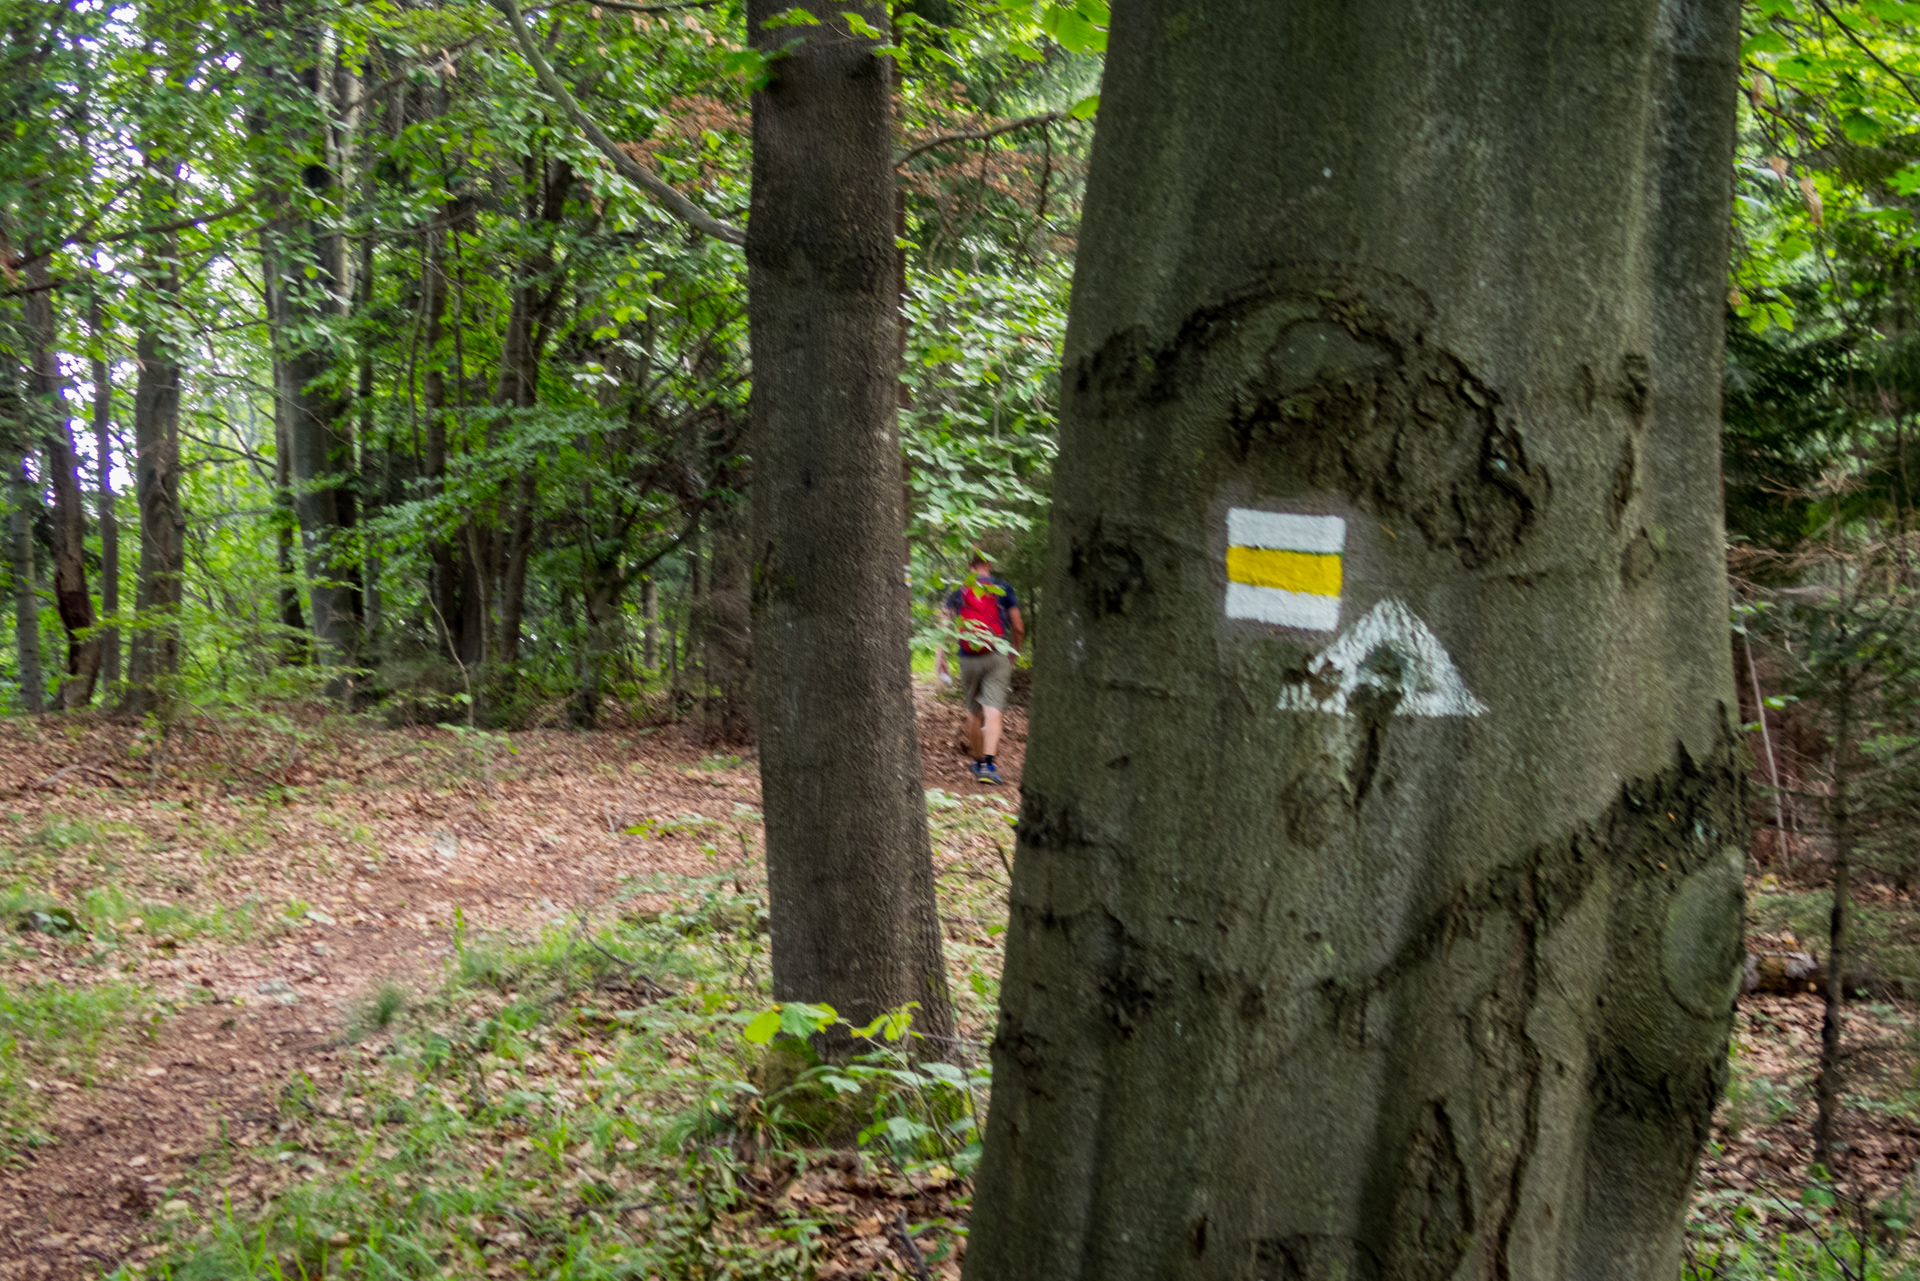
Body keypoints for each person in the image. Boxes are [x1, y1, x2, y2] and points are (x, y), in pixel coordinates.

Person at [937, 550, 1024, 785]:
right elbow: (1017, 626)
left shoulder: (958, 591)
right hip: (997, 654)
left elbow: (945, 626)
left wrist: (941, 657)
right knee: (993, 711)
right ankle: (989, 765)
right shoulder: (1003, 588)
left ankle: (976, 762)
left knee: (973, 711)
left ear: (969, 565)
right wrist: (1013, 652)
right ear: (989, 563)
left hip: (968, 656)